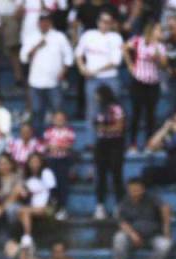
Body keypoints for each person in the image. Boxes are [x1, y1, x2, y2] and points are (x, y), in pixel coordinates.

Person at [20, 13, 73, 136]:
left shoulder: (59, 37)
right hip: (36, 82)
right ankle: (39, 140)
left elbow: (69, 56)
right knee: (37, 111)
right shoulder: (31, 37)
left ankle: (60, 139)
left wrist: (63, 71)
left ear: (50, 22)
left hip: (54, 82)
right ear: (38, 23)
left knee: (58, 111)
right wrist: (36, 46)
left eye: (46, 21)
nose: (44, 24)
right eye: (42, 21)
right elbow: (23, 58)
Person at [75, 11, 122, 148]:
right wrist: (82, 68)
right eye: (102, 21)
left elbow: (115, 61)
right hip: (92, 79)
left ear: (112, 24)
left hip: (110, 77)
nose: (104, 24)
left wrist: (94, 71)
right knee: (92, 111)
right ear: (98, 21)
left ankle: (113, 141)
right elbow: (78, 54)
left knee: (113, 110)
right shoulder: (88, 35)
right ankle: (91, 142)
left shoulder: (116, 37)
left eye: (108, 22)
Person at [113, 177, 173, 259]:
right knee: (119, 238)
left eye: (137, 189)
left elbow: (165, 208)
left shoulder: (151, 198)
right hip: (133, 237)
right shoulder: (125, 202)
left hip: (153, 236)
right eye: (132, 190)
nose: (135, 192)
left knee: (166, 244)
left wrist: (166, 229)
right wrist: (132, 234)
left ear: (143, 189)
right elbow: (122, 222)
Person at [124, 21, 166, 153]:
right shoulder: (138, 41)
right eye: (158, 30)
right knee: (136, 113)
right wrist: (130, 65)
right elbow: (124, 47)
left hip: (153, 82)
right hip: (138, 81)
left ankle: (149, 143)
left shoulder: (160, 46)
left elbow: (164, 64)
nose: (160, 33)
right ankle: (133, 144)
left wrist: (157, 50)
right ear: (151, 30)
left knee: (150, 115)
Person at [92, 84, 125, 220]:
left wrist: (105, 129)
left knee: (116, 174)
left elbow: (119, 127)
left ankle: (119, 206)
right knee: (101, 175)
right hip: (102, 144)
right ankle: (100, 206)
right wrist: (106, 129)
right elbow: (97, 127)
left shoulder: (116, 109)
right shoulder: (99, 110)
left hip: (115, 144)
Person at [18, 152, 56, 246]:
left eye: (36, 162)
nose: (34, 164)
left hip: (47, 207)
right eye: (32, 162)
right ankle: (27, 238)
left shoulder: (46, 173)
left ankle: (27, 237)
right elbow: (26, 196)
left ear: (41, 162)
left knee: (24, 211)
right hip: (33, 207)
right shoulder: (27, 178)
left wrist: (48, 206)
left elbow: (53, 192)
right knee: (22, 211)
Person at [43, 110, 75, 220]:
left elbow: (69, 146)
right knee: (52, 184)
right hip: (51, 160)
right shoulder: (48, 131)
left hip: (64, 160)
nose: (59, 121)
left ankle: (63, 208)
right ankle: (53, 207)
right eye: (57, 119)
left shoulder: (69, 131)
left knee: (62, 184)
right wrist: (59, 145)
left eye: (61, 119)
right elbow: (47, 146)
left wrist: (57, 146)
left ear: (65, 120)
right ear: (53, 120)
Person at [0, 152, 24, 241]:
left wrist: (0, 209)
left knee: (11, 209)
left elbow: (14, 195)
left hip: (14, 203)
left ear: (11, 164)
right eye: (0, 164)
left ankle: (13, 236)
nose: (3, 166)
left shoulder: (17, 174)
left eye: (6, 163)